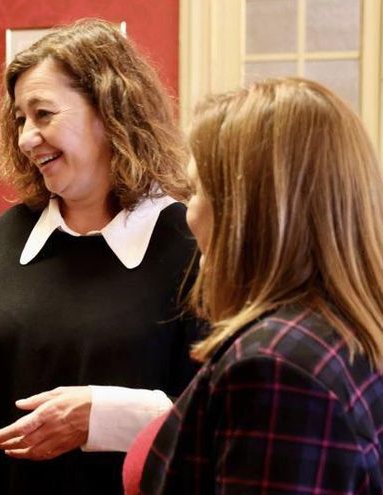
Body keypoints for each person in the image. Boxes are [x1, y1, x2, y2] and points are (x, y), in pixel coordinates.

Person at [0, 18, 200, 494]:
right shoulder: (11, 234)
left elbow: (220, 416)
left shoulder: (188, 243)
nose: (26, 137)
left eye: (43, 114)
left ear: (111, 111)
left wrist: (103, 417)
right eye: (20, 119)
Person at [140, 78, 383, 493]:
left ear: (247, 209)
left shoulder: (274, 367)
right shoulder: (339, 334)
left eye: (197, 190)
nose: (187, 214)